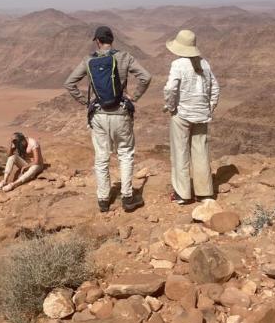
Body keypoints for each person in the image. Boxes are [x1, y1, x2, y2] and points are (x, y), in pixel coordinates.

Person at [65, 25, 151, 212]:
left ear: (97, 41)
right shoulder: (124, 57)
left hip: (99, 114)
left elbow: (69, 83)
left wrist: (86, 102)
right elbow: (145, 77)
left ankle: (103, 200)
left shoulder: (89, 60)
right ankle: (127, 198)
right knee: (125, 154)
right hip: (120, 113)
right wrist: (134, 97)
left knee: (102, 158)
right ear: (112, 40)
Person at [163, 29, 220, 204]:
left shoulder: (178, 64)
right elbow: (215, 89)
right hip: (201, 114)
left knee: (180, 152)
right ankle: (204, 193)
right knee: (201, 151)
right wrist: (208, 107)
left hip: (182, 114)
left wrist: (171, 107)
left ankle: (183, 194)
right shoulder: (204, 64)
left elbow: (170, 89)